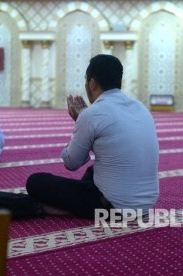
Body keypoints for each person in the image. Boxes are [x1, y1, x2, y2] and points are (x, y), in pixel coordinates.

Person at [25, 54, 160, 219]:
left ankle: (69, 209)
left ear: (92, 82)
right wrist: (84, 122)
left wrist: (79, 122)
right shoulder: (141, 107)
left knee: (35, 182)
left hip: (113, 208)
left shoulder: (92, 114)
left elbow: (71, 162)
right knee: (94, 169)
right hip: (147, 206)